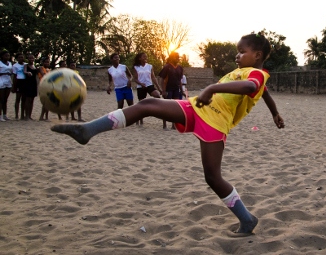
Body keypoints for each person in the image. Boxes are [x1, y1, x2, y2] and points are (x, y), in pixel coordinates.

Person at [51, 32, 285, 236]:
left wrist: (212, 87)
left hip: (215, 123)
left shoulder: (256, 73)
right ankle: (87, 130)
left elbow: (254, 88)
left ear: (256, 55)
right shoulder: (240, 71)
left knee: (213, 178)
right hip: (195, 108)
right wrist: (275, 113)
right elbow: (264, 95)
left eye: (241, 51)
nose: (237, 55)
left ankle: (247, 219)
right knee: (149, 104)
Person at [131, 52, 162, 125]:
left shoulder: (150, 66)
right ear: (139, 58)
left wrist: (159, 88)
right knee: (141, 104)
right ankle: (140, 121)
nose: (145, 58)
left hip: (149, 85)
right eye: (144, 57)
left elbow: (153, 77)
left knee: (157, 96)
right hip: (141, 87)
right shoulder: (136, 67)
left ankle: (157, 111)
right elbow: (135, 79)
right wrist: (141, 84)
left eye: (146, 57)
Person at [159, 51, 183, 129]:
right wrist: (163, 90)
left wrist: (181, 90)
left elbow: (179, 80)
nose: (177, 58)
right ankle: (164, 125)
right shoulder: (167, 67)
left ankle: (173, 125)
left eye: (178, 57)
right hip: (168, 89)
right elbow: (162, 79)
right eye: (176, 57)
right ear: (172, 58)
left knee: (175, 107)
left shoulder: (180, 68)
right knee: (166, 107)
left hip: (176, 89)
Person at [23, 54, 39, 120]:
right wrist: (27, 73)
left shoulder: (34, 66)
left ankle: (30, 115)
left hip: (33, 83)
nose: (31, 59)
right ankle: (26, 115)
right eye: (30, 58)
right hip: (28, 83)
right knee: (27, 99)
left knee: (32, 100)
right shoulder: (26, 65)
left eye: (32, 58)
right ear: (28, 59)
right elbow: (24, 71)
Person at [12, 53, 27, 120]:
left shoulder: (25, 65)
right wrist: (14, 86)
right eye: (20, 57)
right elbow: (14, 76)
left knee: (23, 100)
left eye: (22, 57)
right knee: (18, 99)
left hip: (24, 82)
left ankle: (22, 115)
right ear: (17, 58)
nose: (21, 58)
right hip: (18, 81)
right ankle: (16, 115)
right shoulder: (15, 66)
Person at [0, 50, 13, 121]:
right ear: (2, 56)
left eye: (8, 56)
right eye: (6, 55)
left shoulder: (10, 63)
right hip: (1, 80)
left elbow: (11, 72)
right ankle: (0, 115)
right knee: (1, 99)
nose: (7, 57)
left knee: (5, 99)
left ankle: (5, 115)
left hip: (8, 80)